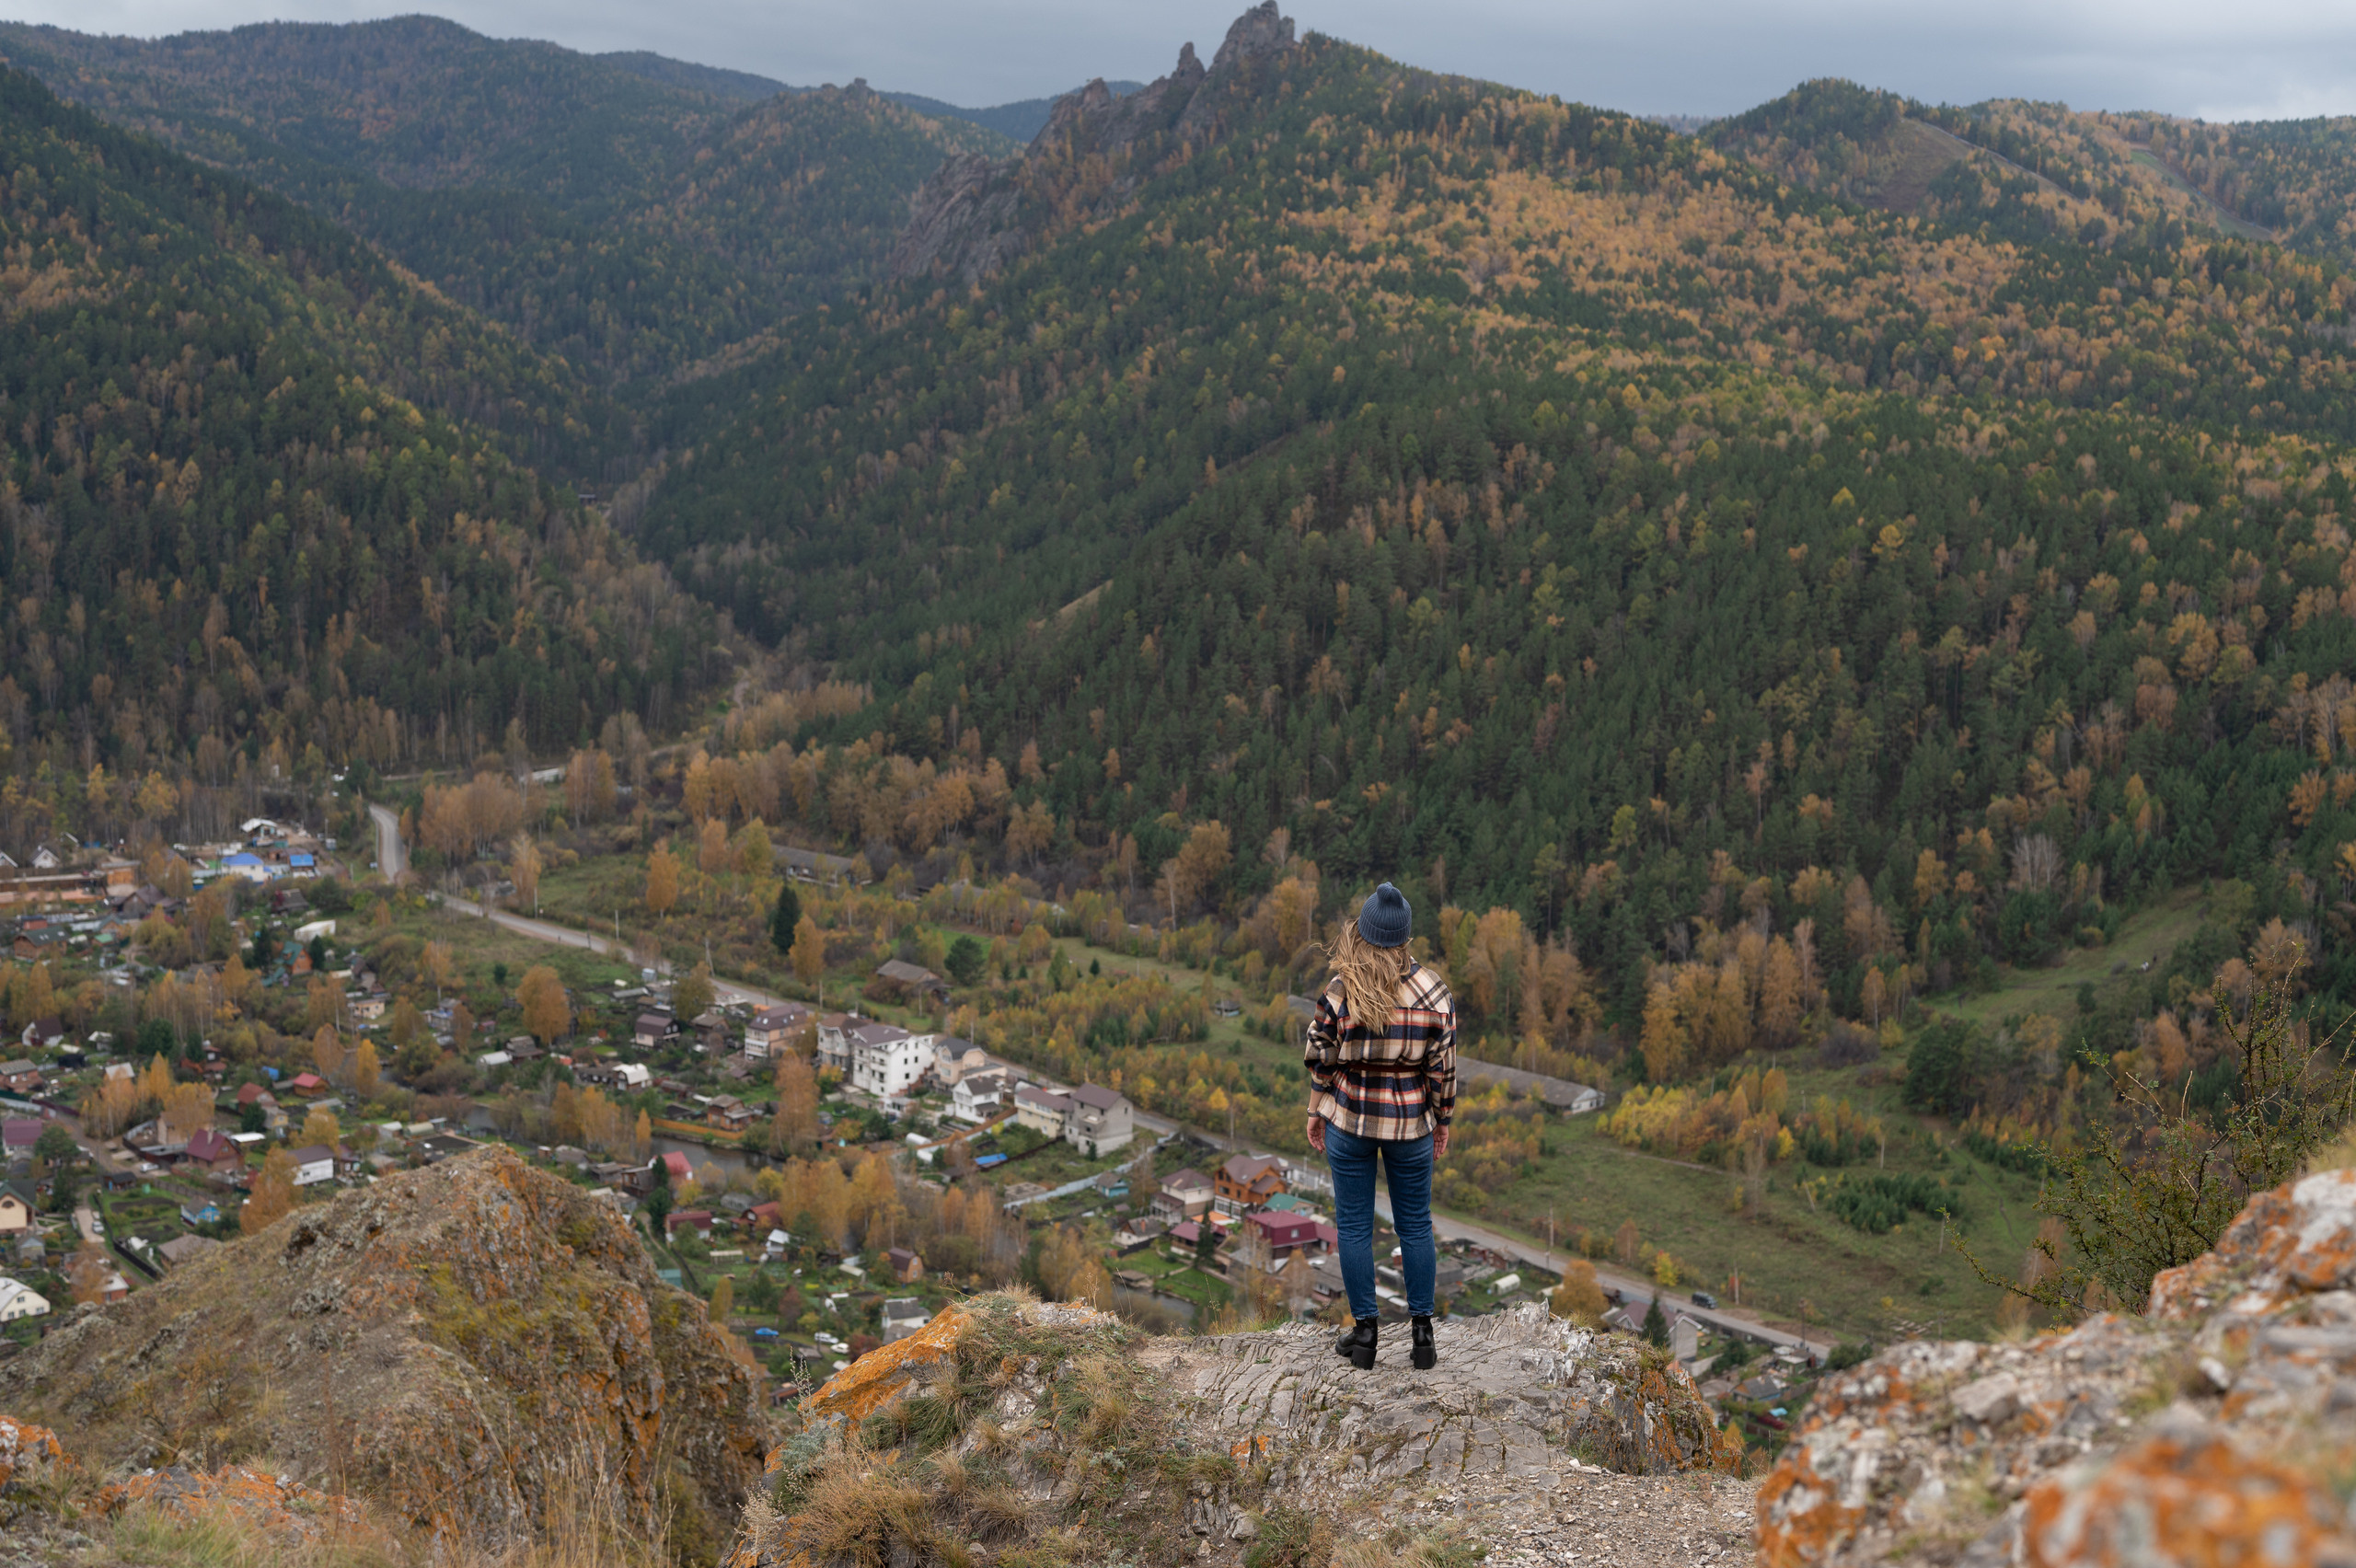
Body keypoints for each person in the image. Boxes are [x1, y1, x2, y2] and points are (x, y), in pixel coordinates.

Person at [1303, 882, 1456, 1371]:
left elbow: (1319, 1056)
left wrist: (1315, 1107)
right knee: (1415, 1226)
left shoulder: (1341, 990)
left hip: (1349, 1119)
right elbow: (1443, 1070)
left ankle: (1365, 1335)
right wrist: (1442, 1120)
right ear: (1406, 938)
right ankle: (1423, 1336)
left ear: (1363, 935)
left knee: (1353, 1226)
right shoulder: (1434, 992)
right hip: (1411, 1124)